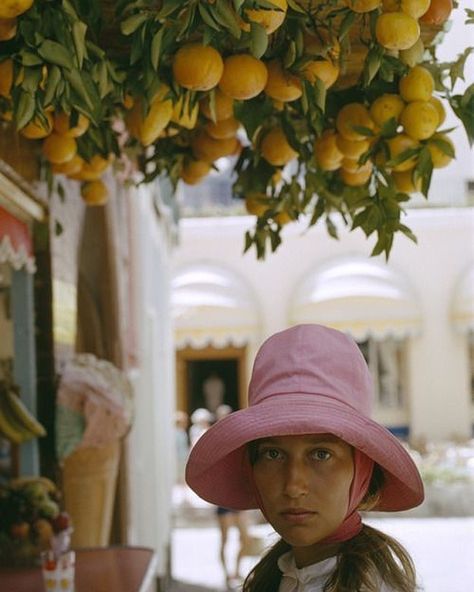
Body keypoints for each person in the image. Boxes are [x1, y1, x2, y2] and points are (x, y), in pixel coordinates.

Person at [186, 324, 424, 592]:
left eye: (321, 454)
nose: (293, 486)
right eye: (273, 454)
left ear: (363, 470)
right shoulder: (281, 575)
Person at [213, 404, 250, 589]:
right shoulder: (215, 443)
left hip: (239, 496)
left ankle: (236, 570)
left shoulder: (239, 440)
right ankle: (226, 575)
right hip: (223, 497)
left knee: (245, 538)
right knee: (225, 539)